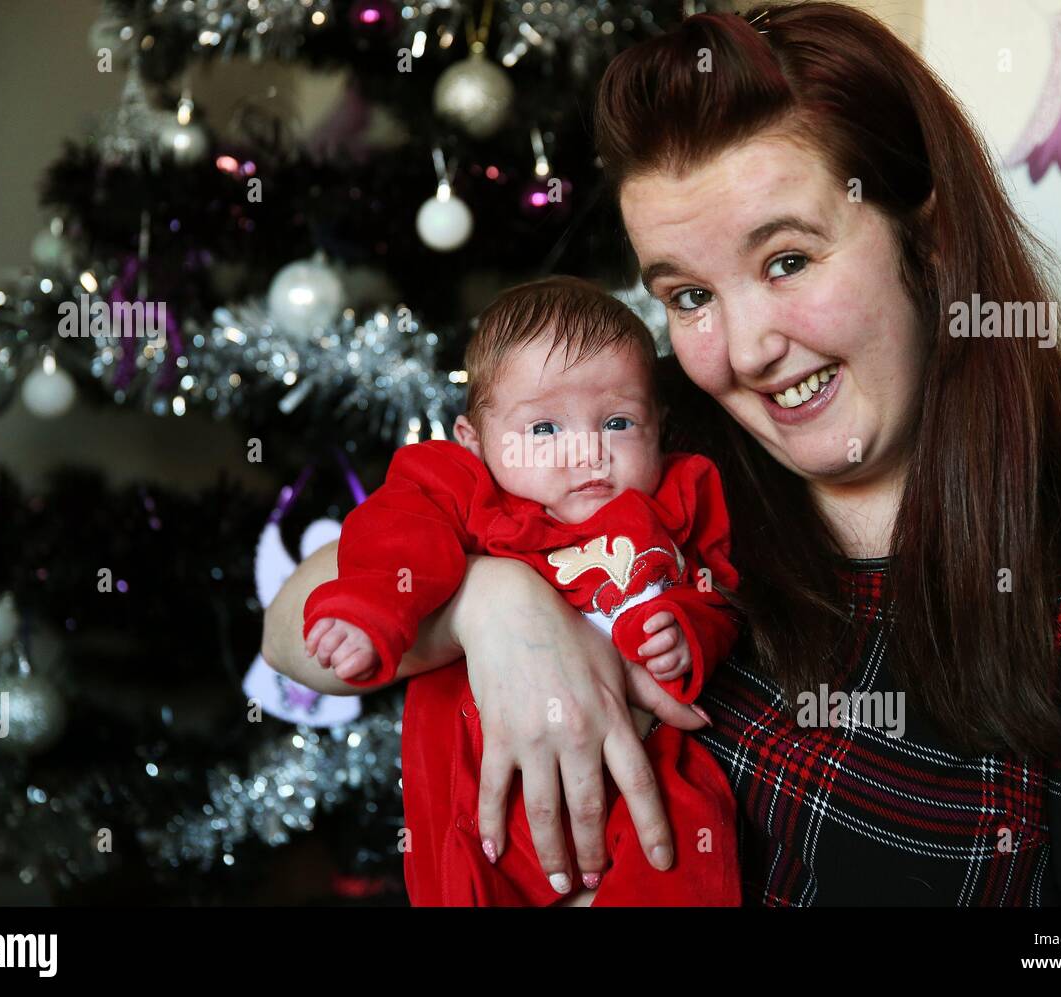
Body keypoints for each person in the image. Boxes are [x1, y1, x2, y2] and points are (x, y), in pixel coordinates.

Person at [264, 5, 1061, 905]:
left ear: (928, 236)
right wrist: (491, 602)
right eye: (688, 296)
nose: (747, 349)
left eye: (788, 260)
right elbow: (290, 630)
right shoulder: (656, 443)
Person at [299, 276, 741, 905]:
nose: (588, 452)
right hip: (481, 786)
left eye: (618, 422)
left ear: (658, 428)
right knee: (468, 874)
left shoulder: (678, 498)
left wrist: (691, 633)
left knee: (690, 835)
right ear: (472, 440)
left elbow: (718, 592)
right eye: (543, 430)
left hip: (637, 766)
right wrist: (368, 611)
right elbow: (394, 537)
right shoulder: (464, 490)